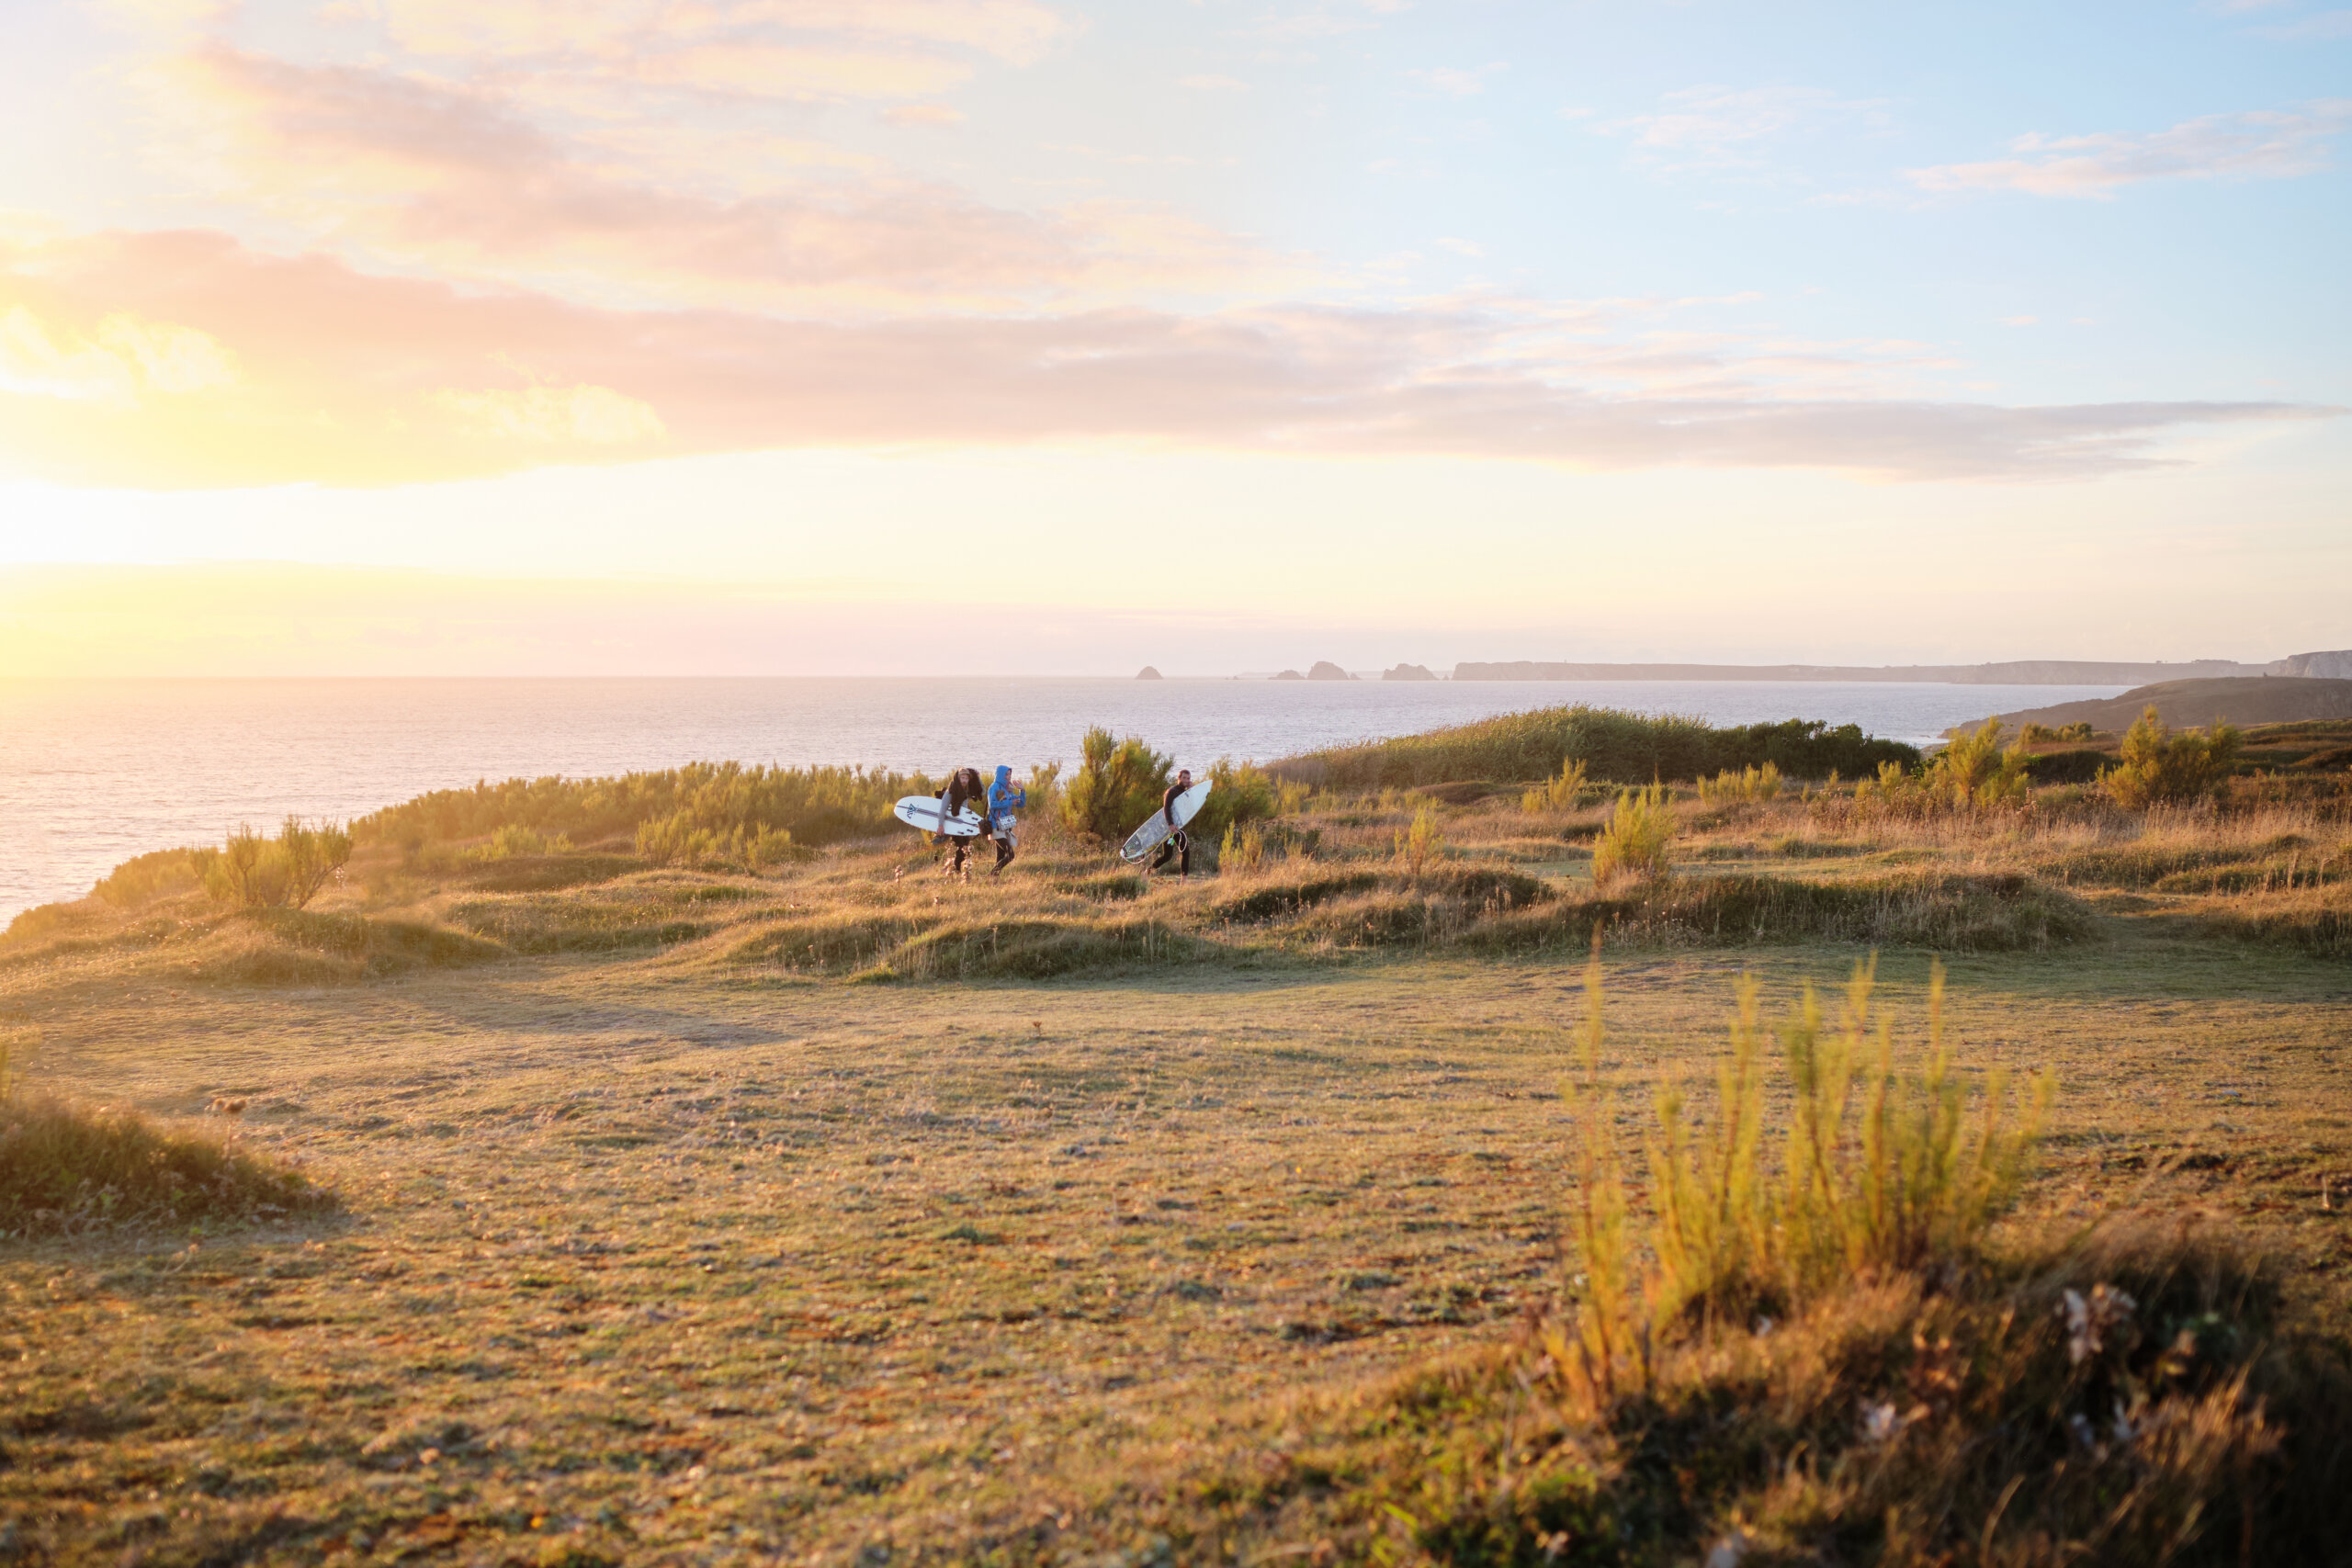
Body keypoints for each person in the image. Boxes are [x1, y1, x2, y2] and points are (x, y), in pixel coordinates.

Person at [933, 766, 990, 875]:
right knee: (960, 847)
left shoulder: (967, 790)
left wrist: (977, 778)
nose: (964, 780)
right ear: (958, 778)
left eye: (966, 778)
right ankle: (955, 870)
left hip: (963, 822)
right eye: (962, 778)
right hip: (953, 823)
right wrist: (940, 825)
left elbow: (982, 791)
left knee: (965, 847)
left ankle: (951, 868)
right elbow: (942, 809)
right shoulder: (951, 791)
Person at [1148, 767, 1195, 878]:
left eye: (1188, 778)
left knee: (1175, 854)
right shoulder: (1171, 791)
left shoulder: (1185, 793)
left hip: (1178, 828)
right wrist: (1170, 824)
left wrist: (1192, 790)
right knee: (1174, 854)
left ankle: (1147, 871)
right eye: (1184, 778)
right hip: (1169, 828)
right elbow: (1166, 808)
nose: (1186, 780)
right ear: (1179, 778)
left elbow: (1190, 807)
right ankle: (1147, 871)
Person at [986, 764, 1025, 874]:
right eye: (1007, 774)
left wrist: (1022, 791)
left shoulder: (1007, 789)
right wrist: (1010, 802)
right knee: (1011, 854)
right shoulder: (995, 787)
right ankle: (991, 874)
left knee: (1001, 855)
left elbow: (1020, 804)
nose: (1009, 776)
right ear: (1001, 775)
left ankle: (994, 879)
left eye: (1010, 774)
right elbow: (993, 804)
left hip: (1005, 826)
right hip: (995, 826)